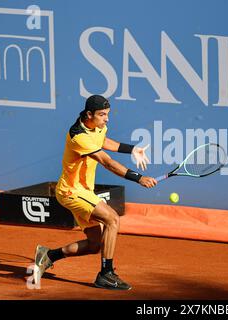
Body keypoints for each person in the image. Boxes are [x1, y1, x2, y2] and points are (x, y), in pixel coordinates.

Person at [33, 95, 157, 290]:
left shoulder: (96, 126)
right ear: (89, 114)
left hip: (84, 191)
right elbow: (107, 162)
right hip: (71, 192)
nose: (106, 119)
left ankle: (49, 255)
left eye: (107, 114)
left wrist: (132, 149)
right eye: (102, 115)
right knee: (112, 219)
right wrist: (138, 178)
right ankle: (106, 274)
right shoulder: (78, 136)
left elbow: (103, 140)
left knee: (95, 245)